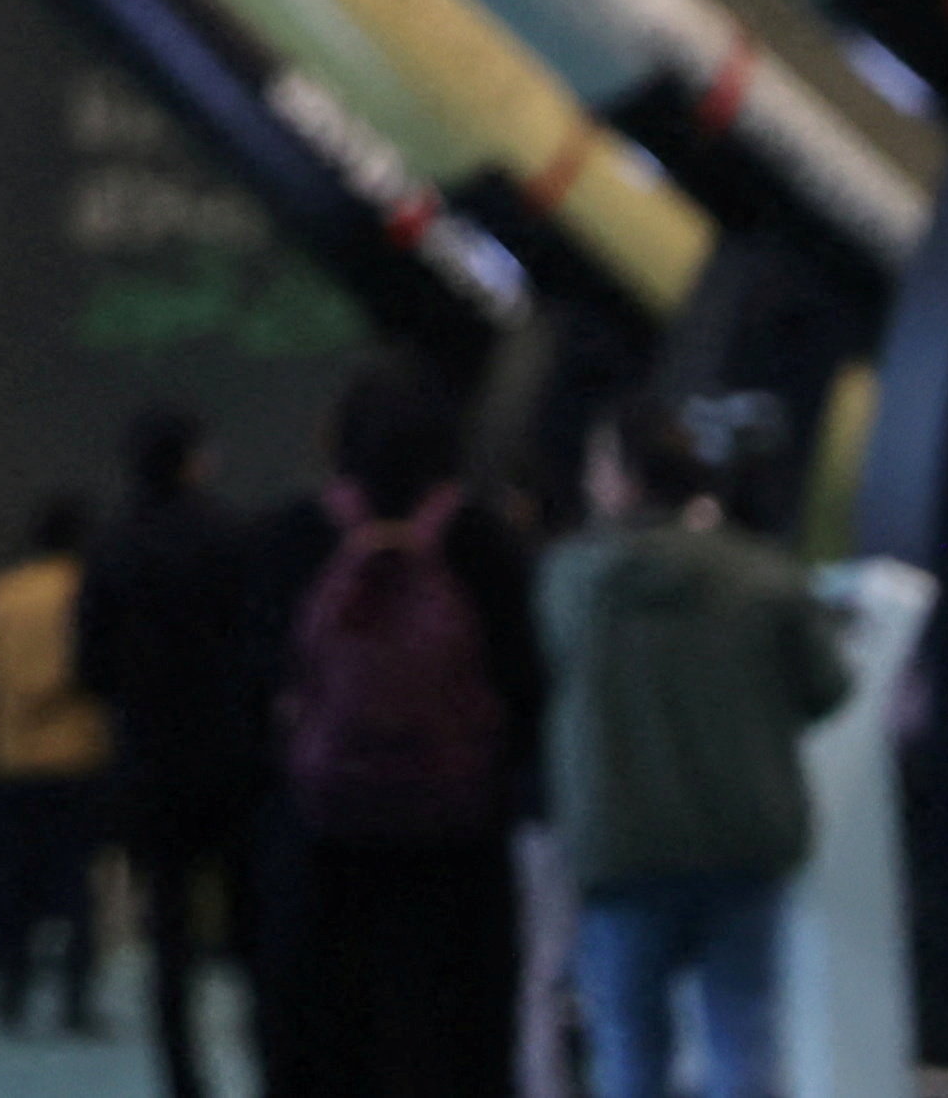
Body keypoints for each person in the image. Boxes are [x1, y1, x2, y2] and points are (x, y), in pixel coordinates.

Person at [538, 402, 849, 1098]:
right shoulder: (762, 575)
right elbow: (826, 689)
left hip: (622, 843)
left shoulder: (573, 581)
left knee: (629, 1048)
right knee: (744, 1036)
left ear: (624, 478)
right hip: (745, 835)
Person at [258, 355, 540, 1098]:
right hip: (458, 845)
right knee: (451, 1043)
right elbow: (529, 690)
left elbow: (252, 692)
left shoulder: (289, 541)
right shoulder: (487, 546)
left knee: (327, 1044)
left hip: (319, 845)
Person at [81, 405, 263, 1098]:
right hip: (233, 757)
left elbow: (89, 666)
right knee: (252, 924)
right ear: (194, 458)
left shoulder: (112, 546)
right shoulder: (232, 535)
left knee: (169, 936)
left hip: (150, 762)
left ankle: (183, 1078)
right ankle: (267, 1055)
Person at [0, 495, 112, 1038]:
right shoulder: (85, 588)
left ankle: (10, 987)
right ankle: (75, 999)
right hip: (75, 755)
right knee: (76, 883)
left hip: (5, 757)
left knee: (11, 881)